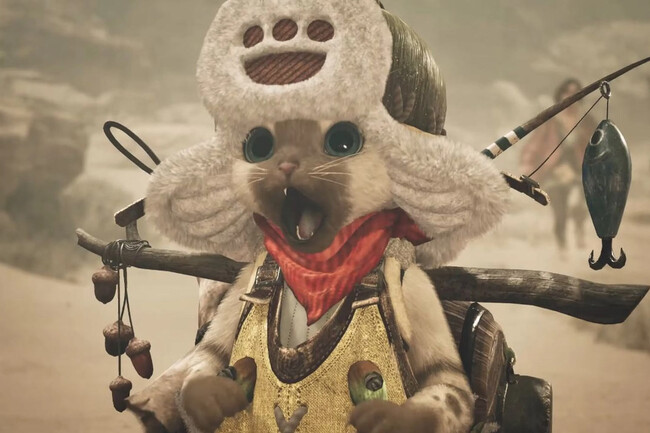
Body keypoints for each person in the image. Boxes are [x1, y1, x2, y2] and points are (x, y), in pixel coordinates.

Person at [520, 78, 597, 250]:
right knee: (560, 213)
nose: (570, 96)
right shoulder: (552, 120)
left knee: (580, 207)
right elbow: (535, 143)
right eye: (567, 92)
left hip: (580, 172)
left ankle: (579, 232)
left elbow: (598, 144)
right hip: (554, 172)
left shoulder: (587, 120)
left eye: (575, 92)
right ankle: (562, 247)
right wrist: (527, 163)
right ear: (561, 95)